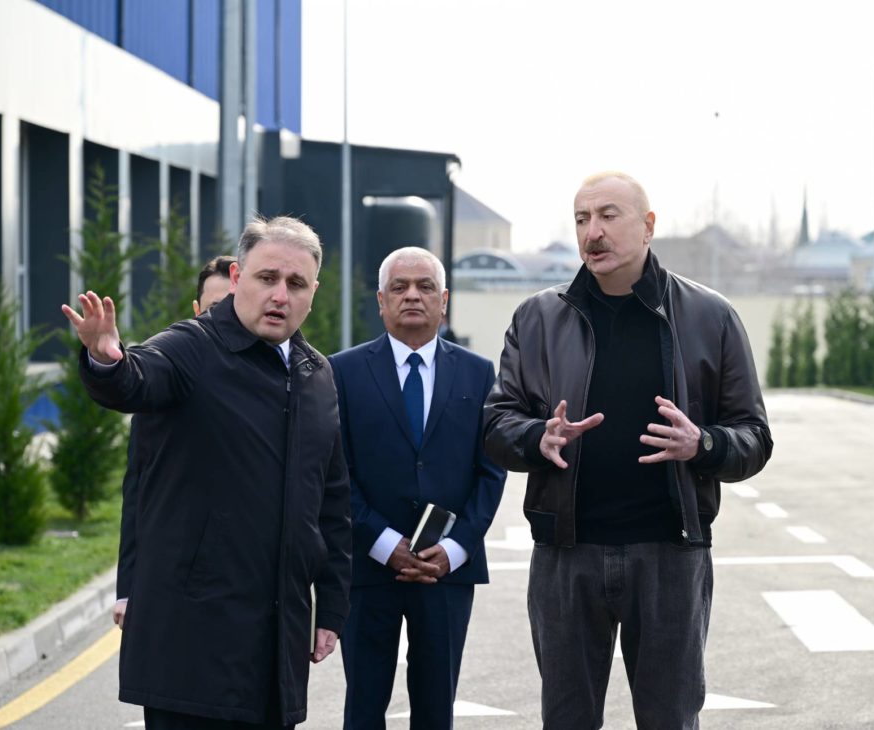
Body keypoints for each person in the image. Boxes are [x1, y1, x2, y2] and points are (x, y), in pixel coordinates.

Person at [483, 172, 773, 730]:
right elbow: (497, 423)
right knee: (566, 720)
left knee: (670, 719)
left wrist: (703, 443)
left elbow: (754, 436)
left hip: (670, 555)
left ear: (648, 226)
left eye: (608, 215)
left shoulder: (710, 316)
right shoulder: (537, 318)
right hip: (566, 555)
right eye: (581, 219)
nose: (592, 231)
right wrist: (537, 437)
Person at [62, 217, 351, 729]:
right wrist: (108, 361)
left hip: (276, 651)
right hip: (191, 648)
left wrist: (329, 609)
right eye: (267, 278)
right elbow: (138, 377)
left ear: (313, 293)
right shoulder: (192, 346)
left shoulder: (316, 374)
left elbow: (329, 501)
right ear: (237, 277)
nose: (280, 295)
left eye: (296, 283)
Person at [329, 246, 505, 730]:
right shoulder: (341, 371)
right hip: (368, 567)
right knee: (363, 709)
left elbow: (491, 472)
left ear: (443, 300)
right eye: (400, 287)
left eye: (425, 287)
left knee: (435, 710)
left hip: (446, 573)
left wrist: (455, 548)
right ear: (381, 300)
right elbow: (335, 472)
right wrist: (385, 544)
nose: (412, 295)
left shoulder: (478, 372)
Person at [113, 254, 237, 631]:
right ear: (197, 311)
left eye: (233, 306)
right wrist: (127, 589)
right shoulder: (172, 373)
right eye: (214, 308)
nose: (224, 318)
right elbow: (139, 487)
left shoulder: (283, 377)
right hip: (179, 581)